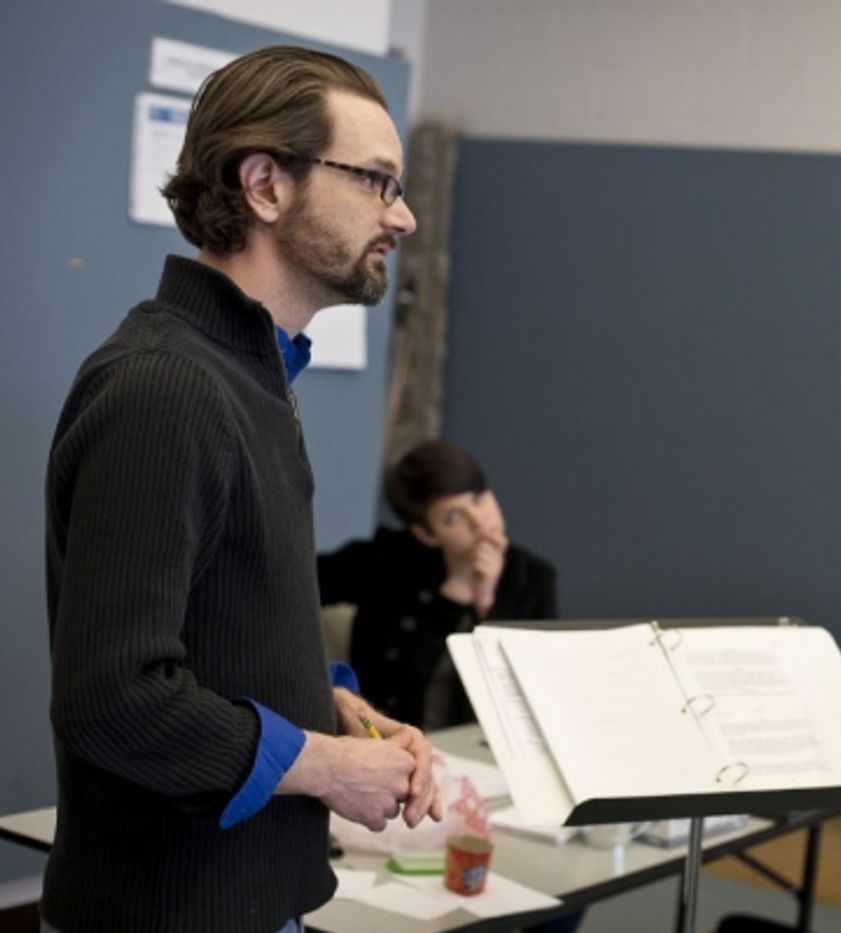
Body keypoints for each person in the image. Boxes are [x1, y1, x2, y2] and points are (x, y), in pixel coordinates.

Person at [44, 46, 441, 933]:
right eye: (377, 182)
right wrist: (327, 767)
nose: (404, 217)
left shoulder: (249, 375)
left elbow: (218, 627)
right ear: (265, 185)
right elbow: (118, 697)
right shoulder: (166, 388)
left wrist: (333, 712)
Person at [318, 439, 558, 728]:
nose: (480, 523)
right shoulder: (388, 559)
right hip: (380, 735)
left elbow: (528, 693)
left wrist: (487, 604)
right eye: (453, 517)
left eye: (479, 499)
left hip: (479, 745)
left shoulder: (532, 579)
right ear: (426, 534)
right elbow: (299, 586)